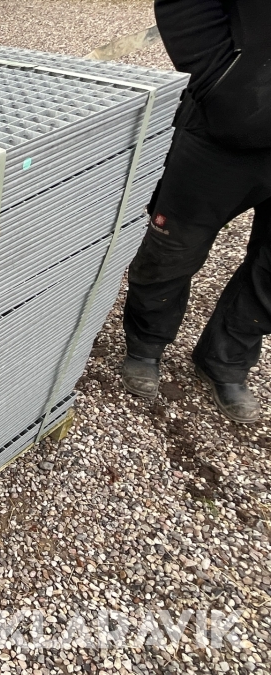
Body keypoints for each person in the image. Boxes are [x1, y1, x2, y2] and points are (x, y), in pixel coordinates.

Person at [121, 0, 271, 424]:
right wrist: (223, 83)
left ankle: (227, 360)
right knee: (173, 246)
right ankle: (146, 344)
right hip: (225, 129)